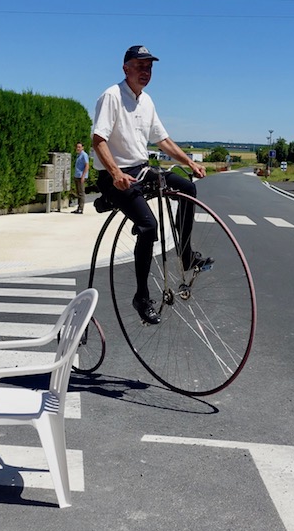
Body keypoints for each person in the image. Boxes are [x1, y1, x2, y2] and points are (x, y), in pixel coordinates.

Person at [92, 45, 211, 324]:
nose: (146, 72)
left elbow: (163, 141)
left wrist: (190, 163)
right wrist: (115, 174)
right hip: (116, 175)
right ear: (126, 68)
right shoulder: (111, 96)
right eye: (140, 66)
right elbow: (98, 141)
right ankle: (141, 297)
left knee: (188, 189)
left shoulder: (147, 101)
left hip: (141, 169)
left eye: (150, 67)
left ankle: (185, 254)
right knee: (148, 227)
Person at [72, 142, 89, 214]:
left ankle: (81, 209)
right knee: (78, 193)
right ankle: (78, 208)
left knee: (81, 193)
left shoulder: (84, 155)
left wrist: (83, 176)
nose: (78, 148)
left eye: (79, 147)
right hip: (77, 176)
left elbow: (87, 166)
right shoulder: (78, 155)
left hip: (81, 176)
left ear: (82, 148)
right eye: (77, 147)